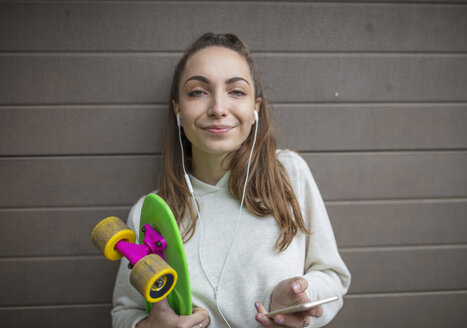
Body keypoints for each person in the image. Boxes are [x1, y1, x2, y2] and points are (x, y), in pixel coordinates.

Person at [112, 33, 350, 328]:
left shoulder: (289, 174)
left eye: (236, 91)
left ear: (256, 108)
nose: (218, 108)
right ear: (177, 109)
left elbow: (333, 277)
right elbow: (124, 313)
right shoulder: (148, 213)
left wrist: (300, 300)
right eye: (198, 92)